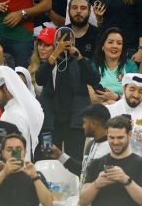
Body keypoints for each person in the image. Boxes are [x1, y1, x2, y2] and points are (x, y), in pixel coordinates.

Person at [35, 26, 101, 159]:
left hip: (75, 123)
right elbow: (40, 79)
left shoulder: (81, 61)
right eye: (60, 39)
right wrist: (55, 52)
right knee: (47, 156)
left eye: (68, 39)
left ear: (74, 41)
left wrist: (79, 57)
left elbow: (95, 79)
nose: (64, 42)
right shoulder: (49, 62)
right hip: (50, 124)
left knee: (74, 160)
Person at [79, 115, 142, 206]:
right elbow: (82, 201)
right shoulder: (95, 164)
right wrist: (96, 184)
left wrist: (126, 180)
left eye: (120, 137)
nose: (115, 142)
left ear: (129, 135)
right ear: (107, 135)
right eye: (111, 138)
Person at [0, 66, 43, 160]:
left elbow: (17, 150)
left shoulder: (14, 114)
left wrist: (14, 168)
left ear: (6, 88)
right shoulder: (13, 110)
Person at [0, 134, 52, 206]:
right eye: (9, 149)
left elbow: (48, 204)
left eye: (18, 149)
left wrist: (35, 177)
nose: (14, 153)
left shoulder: (35, 175)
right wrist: (4, 172)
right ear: (3, 153)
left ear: (25, 152)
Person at [106, 73, 142, 161]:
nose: (136, 95)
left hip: (136, 171)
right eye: (132, 89)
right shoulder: (108, 111)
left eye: (141, 91)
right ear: (124, 88)